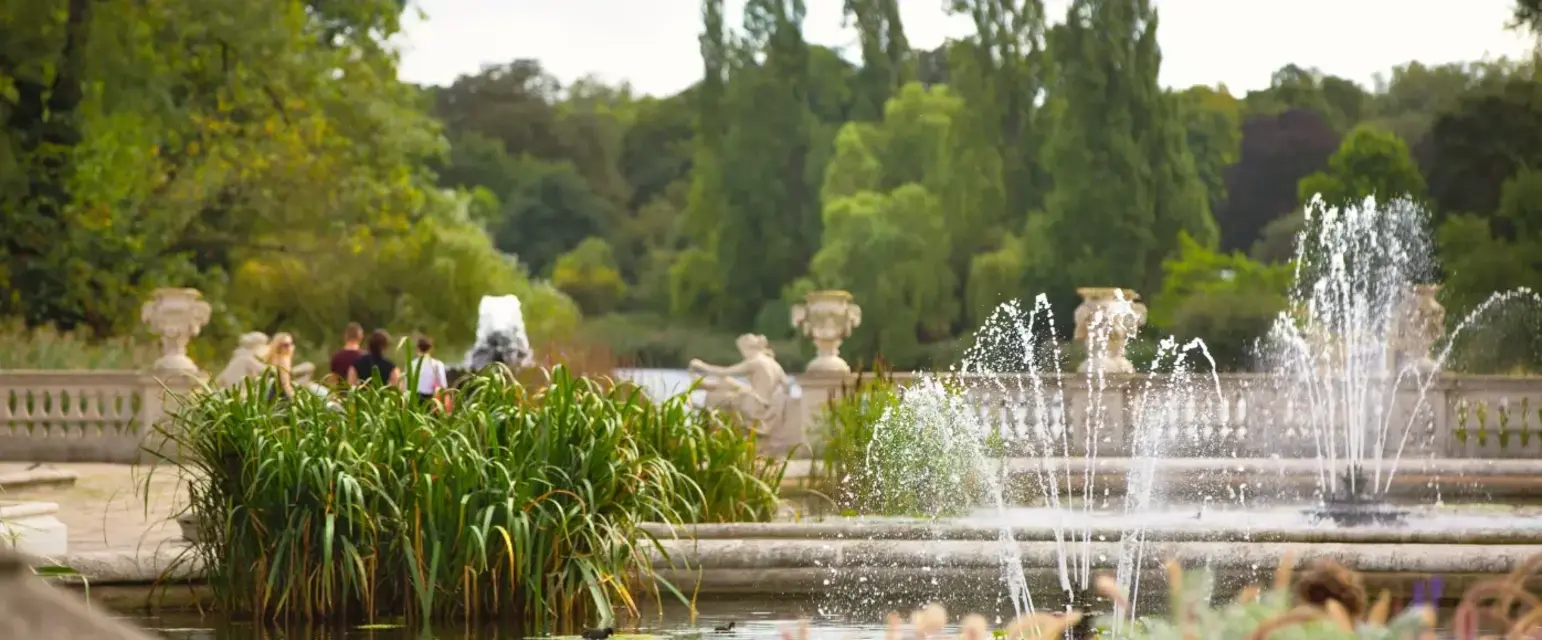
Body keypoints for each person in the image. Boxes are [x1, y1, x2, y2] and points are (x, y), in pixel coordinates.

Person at [409, 335, 449, 408]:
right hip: (432, 401)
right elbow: (443, 386)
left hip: (415, 400)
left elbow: (407, 386)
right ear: (430, 349)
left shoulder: (411, 365)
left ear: (418, 348)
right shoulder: (437, 364)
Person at [265, 332, 297, 400]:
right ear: (278, 346)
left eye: (291, 344)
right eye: (286, 345)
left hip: (269, 396)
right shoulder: (284, 360)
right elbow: (285, 384)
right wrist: (294, 399)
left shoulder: (272, 358)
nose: (289, 347)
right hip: (279, 397)